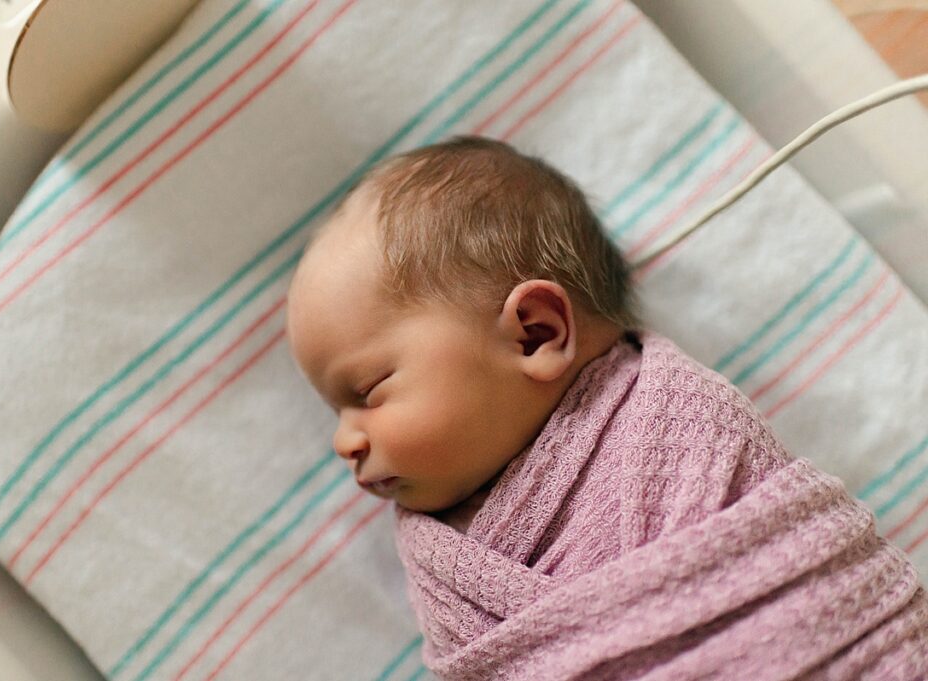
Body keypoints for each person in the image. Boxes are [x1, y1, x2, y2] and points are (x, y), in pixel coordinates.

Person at [285, 135, 927, 679]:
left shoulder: (677, 424)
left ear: (534, 334)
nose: (344, 442)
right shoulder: (442, 567)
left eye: (365, 392)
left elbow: (806, 585)